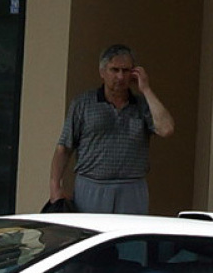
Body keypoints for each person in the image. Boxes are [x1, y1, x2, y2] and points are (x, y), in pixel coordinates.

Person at [49, 44, 175, 214]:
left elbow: (166, 129)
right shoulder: (83, 104)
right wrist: (55, 187)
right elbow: (64, 148)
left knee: (131, 239)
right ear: (102, 72)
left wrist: (146, 89)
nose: (120, 76)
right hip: (92, 185)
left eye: (125, 70)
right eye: (114, 70)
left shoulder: (142, 105)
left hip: (131, 188)